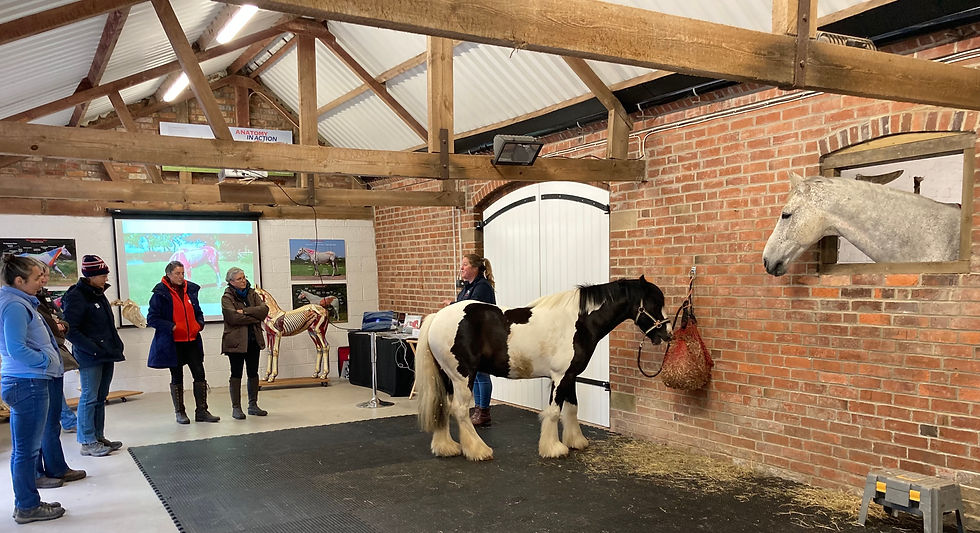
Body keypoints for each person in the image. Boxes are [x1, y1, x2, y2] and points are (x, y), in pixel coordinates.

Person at [1, 254, 78, 524]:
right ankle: (27, 506)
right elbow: (16, 348)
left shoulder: (17, 301)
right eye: (36, 278)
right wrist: (45, 361)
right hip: (28, 382)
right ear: (19, 280)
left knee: (25, 449)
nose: (41, 282)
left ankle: (28, 501)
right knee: (26, 451)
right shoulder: (13, 305)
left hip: (26, 381)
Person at [62, 254, 125, 458]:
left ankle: (98, 436)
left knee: (100, 397)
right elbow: (71, 329)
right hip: (90, 356)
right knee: (89, 397)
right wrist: (93, 348)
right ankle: (87, 440)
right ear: (91, 275)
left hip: (106, 353)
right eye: (103, 274)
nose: (107, 277)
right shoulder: (77, 295)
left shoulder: (98, 292)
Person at [147, 261, 219, 424]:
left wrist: (199, 324)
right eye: (177, 274)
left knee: (199, 374)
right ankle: (180, 412)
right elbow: (152, 319)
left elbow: (198, 313)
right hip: (173, 343)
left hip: (192, 341)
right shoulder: (160, 294)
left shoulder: (191, 291)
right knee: (177, 376)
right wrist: (171, 327)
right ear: (168, 275)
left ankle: (202, 411)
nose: (181, 277)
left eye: (182, 273)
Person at [445, 254, 496, 427]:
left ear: (475, 268)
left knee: (482, 374)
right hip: (472, 337)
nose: (461, 268)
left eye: (465, 265)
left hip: (483, 336)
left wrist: (453, 305)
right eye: (462, 265)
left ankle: (484, 411)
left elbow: (469, 308)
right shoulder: (468, 287)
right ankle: (478, 410)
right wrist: (453, 303)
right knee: (476, 375)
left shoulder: (482, 287)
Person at [220, 267, 270, 420]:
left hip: (253, 340)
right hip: (235, 342)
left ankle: (253, 405)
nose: (243, 280)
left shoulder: (252, 293)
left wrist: (246, 311)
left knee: (253, 373)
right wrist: (255, 316)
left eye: (244, 277)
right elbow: (233, 318)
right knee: (236, 374)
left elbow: (264, 310)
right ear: (231, 282)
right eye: (239, 279)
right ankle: (236, 408)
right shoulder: (226, 297)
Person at [34, 267, 78, 434]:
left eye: (46, 275)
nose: (44, 279)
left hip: (54, 348)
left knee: (55, 389)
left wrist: (59, 324)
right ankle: (67, 419)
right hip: (41, 356)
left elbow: (61, 318)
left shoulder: (44, 296)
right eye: (40, 276)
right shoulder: (20, 303)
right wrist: (55, 324)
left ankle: (67, 420)